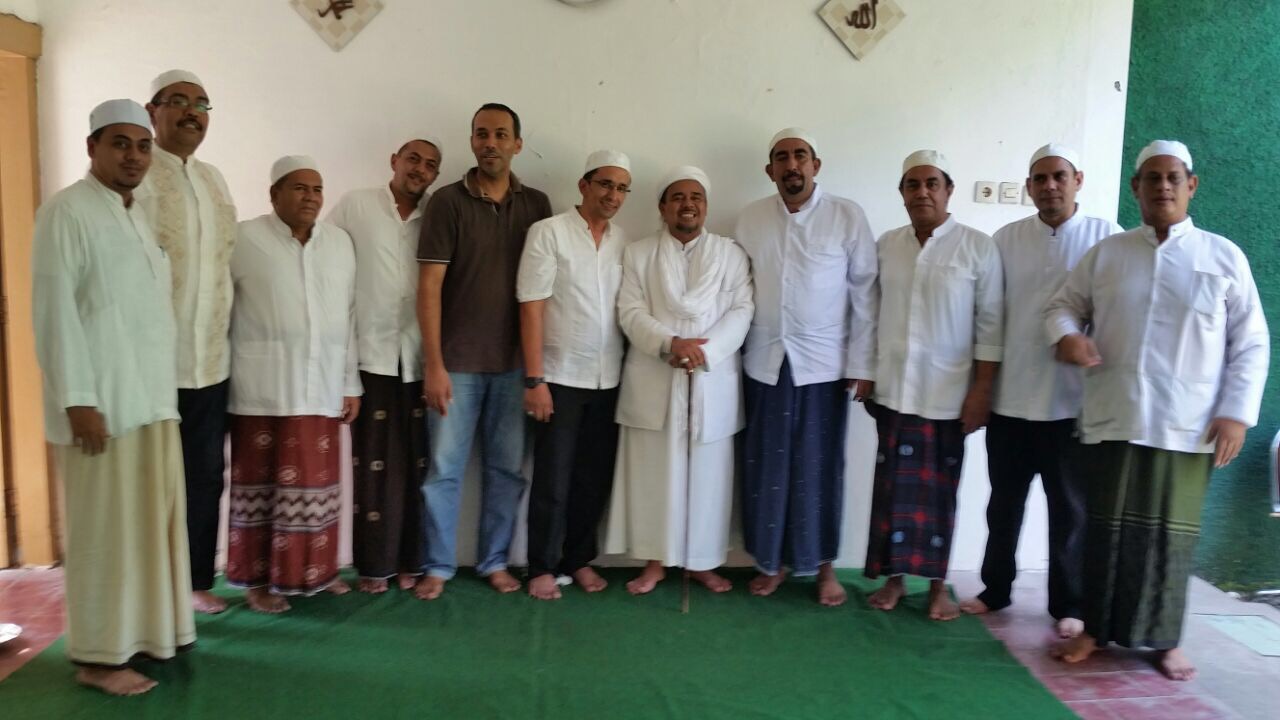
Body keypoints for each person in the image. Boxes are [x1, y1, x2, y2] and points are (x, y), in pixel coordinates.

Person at [1048, 140, 1269, 680]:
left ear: (1191, 186)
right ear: (1136, 188)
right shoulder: (1108, 254)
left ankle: (1164, 641)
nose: (1163, 186)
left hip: (1187, 424)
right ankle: (1095, 631)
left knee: (1168, 540)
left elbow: (1251, 342)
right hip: (1115, 416)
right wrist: (1068, 337)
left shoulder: (1223, 256)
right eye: (1152, 178)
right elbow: (1062, 307)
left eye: (1173, 177)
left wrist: (1236, 413)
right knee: (1105, 532)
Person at [32, 99, 194, 695]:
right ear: (92, 148)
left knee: (146, 531)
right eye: (120, 143)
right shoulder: (66, 211)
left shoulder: (136, 214)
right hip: (100, 407)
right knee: (104, 535)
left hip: (150, 401)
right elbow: (54, 311)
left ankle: (146, 637)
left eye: (143, 146)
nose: (134, 156)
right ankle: (98, 659)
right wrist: (78, 399)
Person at [959, 144, 1121, 638]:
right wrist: (981, 389)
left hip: (1072, 406)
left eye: (1059, 176)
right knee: (1002, 505)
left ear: (1078, 180)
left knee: (1069, 512)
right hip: (1010, 400)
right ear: (1029, 187)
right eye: (1040, 178)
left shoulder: (1107, 239)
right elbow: (987, 316)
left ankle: (1069, 603)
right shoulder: (1005, 239)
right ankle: (995, 589)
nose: (1050, 186)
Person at [734, 128, 877, 606]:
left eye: (800, 156)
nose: (791, 164)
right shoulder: (751, 218)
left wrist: (862, 363)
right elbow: (738, 290)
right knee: (766, 466)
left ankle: (823, 567)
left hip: (825, 366)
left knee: (819, 468)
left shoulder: (846, 215)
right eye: (782, 157)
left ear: (816, 165)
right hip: (765, 362)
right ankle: (771, 563)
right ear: (769, 169)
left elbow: (865, 294)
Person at [416, 103, 552, 599]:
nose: (490, 143)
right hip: (455, 365)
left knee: (507, 471)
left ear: (517, 144)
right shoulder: (446, 202)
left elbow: (543, 291)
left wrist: (536, 372)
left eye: (500, 134)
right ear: (472, 141)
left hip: (515, 366)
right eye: (481, 134)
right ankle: (438, 565)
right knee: (443, 472)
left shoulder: (537, 205)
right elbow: (429, 287)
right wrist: (434, 365)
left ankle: (495, 561)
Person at [864, 150, 1003, 621]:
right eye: (912, 185)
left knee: (940, 495)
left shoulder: (977, 247)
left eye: (931, 184)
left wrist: (981, 391)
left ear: (948, 191)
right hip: (894, 390)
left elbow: (991, 326)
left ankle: (939, 587)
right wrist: (865, 371)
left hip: (948, 396)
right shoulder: (887, 245)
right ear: (902, 193)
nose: (922, 192)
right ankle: (895, 580)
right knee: (892, 492)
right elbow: (869, 313)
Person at [604, 166, 754, 595]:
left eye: (696, 197)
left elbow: (743, 309)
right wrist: (670, 343)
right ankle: (655, 562)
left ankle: (701, 563)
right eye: (678, 197)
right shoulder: (639, 254)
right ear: (662, 207)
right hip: (656, 375)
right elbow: (630, 310)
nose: (688, 204)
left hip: (711, 376)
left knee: (708, 477)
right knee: (655, 475)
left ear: (706, 206)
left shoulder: (731, 254)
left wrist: (705, 351)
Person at [225, 155, 362, 613]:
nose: (311, 197)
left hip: (321, 387)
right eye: (300, 188)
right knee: (261, 493)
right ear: (274, 194)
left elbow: (348, 316)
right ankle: (258, 583)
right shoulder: (243, 238)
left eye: (317, 189)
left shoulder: (338, 243)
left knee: (316, 490)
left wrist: (351, 383)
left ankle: (316, 573)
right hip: (260, 389)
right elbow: (220, 311)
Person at [135, 69, 238, 615]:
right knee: (150, 482)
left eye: (201, 103)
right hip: (151, 364)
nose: (192, 112)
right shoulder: (137, 175)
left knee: (204, 478)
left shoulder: (213, 179)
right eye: (178, 101)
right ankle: (149, 586)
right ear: (152, 111)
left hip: (210, 361)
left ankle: (195, 581)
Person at [328, 136, 442, 593]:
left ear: (436, 175)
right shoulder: (355, 206)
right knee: (373, 467)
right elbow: (327, 267)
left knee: (418, 465)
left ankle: (411, 561)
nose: (419, 169)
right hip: (369, 356)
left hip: (421, 358)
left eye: (430, 164)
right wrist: (343, 374)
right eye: (413, 159)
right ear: (394, 160)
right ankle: (375, 566)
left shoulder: (437, 214)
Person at [518, 150, 633, 600]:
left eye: (622, 188)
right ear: (584, 185)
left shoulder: (624, 242)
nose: (613, 195)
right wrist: (535, 380)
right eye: (605, 184)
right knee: (553, 479)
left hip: (609, 379)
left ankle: (578, 559)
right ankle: (542, 567)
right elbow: (531, 306)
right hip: (559, 378)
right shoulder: (549, 233)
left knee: (592, 479)